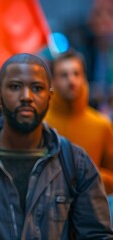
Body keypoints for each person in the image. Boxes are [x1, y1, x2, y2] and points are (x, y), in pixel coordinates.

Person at [0, 53, 113, 239]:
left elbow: (95, 235)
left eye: (37, 88)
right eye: (15, 87)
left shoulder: (75, 163)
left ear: (50, 97)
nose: (26, 97)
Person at [45, 49, 113, 194]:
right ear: (53, 80)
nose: (71, 80)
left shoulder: (101, 125)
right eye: (64, 75)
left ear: (84, 78)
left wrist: (95, 178)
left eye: (76, 73)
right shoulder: (41, 124)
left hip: (92, 210)